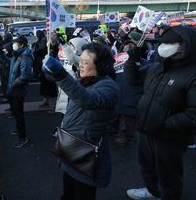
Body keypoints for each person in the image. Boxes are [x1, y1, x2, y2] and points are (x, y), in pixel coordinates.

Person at [125, 26, 196, 200]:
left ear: (184, 46)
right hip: (145, 128)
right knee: (146, 164)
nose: (164, 46)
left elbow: (193, 113)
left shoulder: (192, 74)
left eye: (170, 43)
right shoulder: (157, 67)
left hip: (169, 136)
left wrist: (166, 123)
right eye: (163, 43)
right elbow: (133, 80)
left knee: (169, 172)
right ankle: (152, 191)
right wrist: (132, 60)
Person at [42, 42, 119, 200]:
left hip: (86, 152)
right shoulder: (86, 79)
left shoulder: (109, 87)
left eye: (85, 63)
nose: (80, 65)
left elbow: (87, 100)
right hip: (70, 147)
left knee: (83, 193)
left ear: (101, 66)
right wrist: (48, 67)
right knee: (68, 191)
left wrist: (60, 74)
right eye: (80, 60)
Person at [6, 36, 33, 148]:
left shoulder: (25, 57)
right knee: (16, 114)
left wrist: (15, 83)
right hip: (13, 89)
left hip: (17, 90)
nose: (14, 45)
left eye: (16, 43)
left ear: (21, 45)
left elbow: (25, 76)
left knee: (19, 114)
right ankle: (19, 130)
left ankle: (23, 137)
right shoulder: (17, 55)